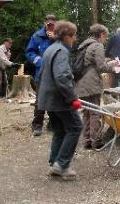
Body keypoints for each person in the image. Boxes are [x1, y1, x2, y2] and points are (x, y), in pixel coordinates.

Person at [38, 20, 82, 181]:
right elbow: (62, 77)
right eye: (74, 36)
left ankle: (54, 163)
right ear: (66, 36)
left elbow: (43, 74)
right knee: (76, 127)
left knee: (60, 130)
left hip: (49, 98)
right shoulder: (62, 51)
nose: (75, 39)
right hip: (59, 99)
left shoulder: (50, 49)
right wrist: (72, 98)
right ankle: (62, 165)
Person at [75, 24, 120, 149]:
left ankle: (87, 140)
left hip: (81, 82)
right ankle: (96, 141)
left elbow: (92, 63)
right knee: (95, 112)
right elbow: (101, 67)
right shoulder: (98, 45)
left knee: (86, 112)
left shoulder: (84, 45)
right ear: (101, 35)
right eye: (105, 36)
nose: (106, 39)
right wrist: (112, 65)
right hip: (92, 83)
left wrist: (107, 62)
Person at [25, 14, 57, 136]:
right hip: (41, 73)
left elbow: (66, 49)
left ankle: (53, 124)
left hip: (55, 74)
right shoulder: (37, 36)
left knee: (54, 99)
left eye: (52, 24)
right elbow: (29, 52)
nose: (50, 26)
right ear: (45, 23)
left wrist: (55, 39)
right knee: (40, 101)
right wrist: (39, 61)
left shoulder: (60, 36)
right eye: (48, 23)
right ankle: (37, 125)